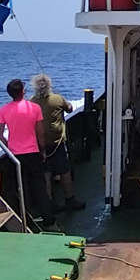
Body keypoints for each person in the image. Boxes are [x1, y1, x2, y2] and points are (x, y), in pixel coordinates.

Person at [0, 79, 57, 230]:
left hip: (15, 156)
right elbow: (40, 132)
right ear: (23, 91)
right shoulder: (34, 108)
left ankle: (23, 221)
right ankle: (50, 222)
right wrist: (42, 150)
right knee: (39, 189)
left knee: (19, 189)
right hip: (33, 154)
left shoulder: (3, 110)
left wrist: (9, 147)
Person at [31, 73, 86, 211]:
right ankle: (70, 200)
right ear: (49, 86)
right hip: (57, 143)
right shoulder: (57, 98)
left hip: (40, 144)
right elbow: (70, 108)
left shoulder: (31, 102)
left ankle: (50, 204)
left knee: (46, 174)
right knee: (64, 171)